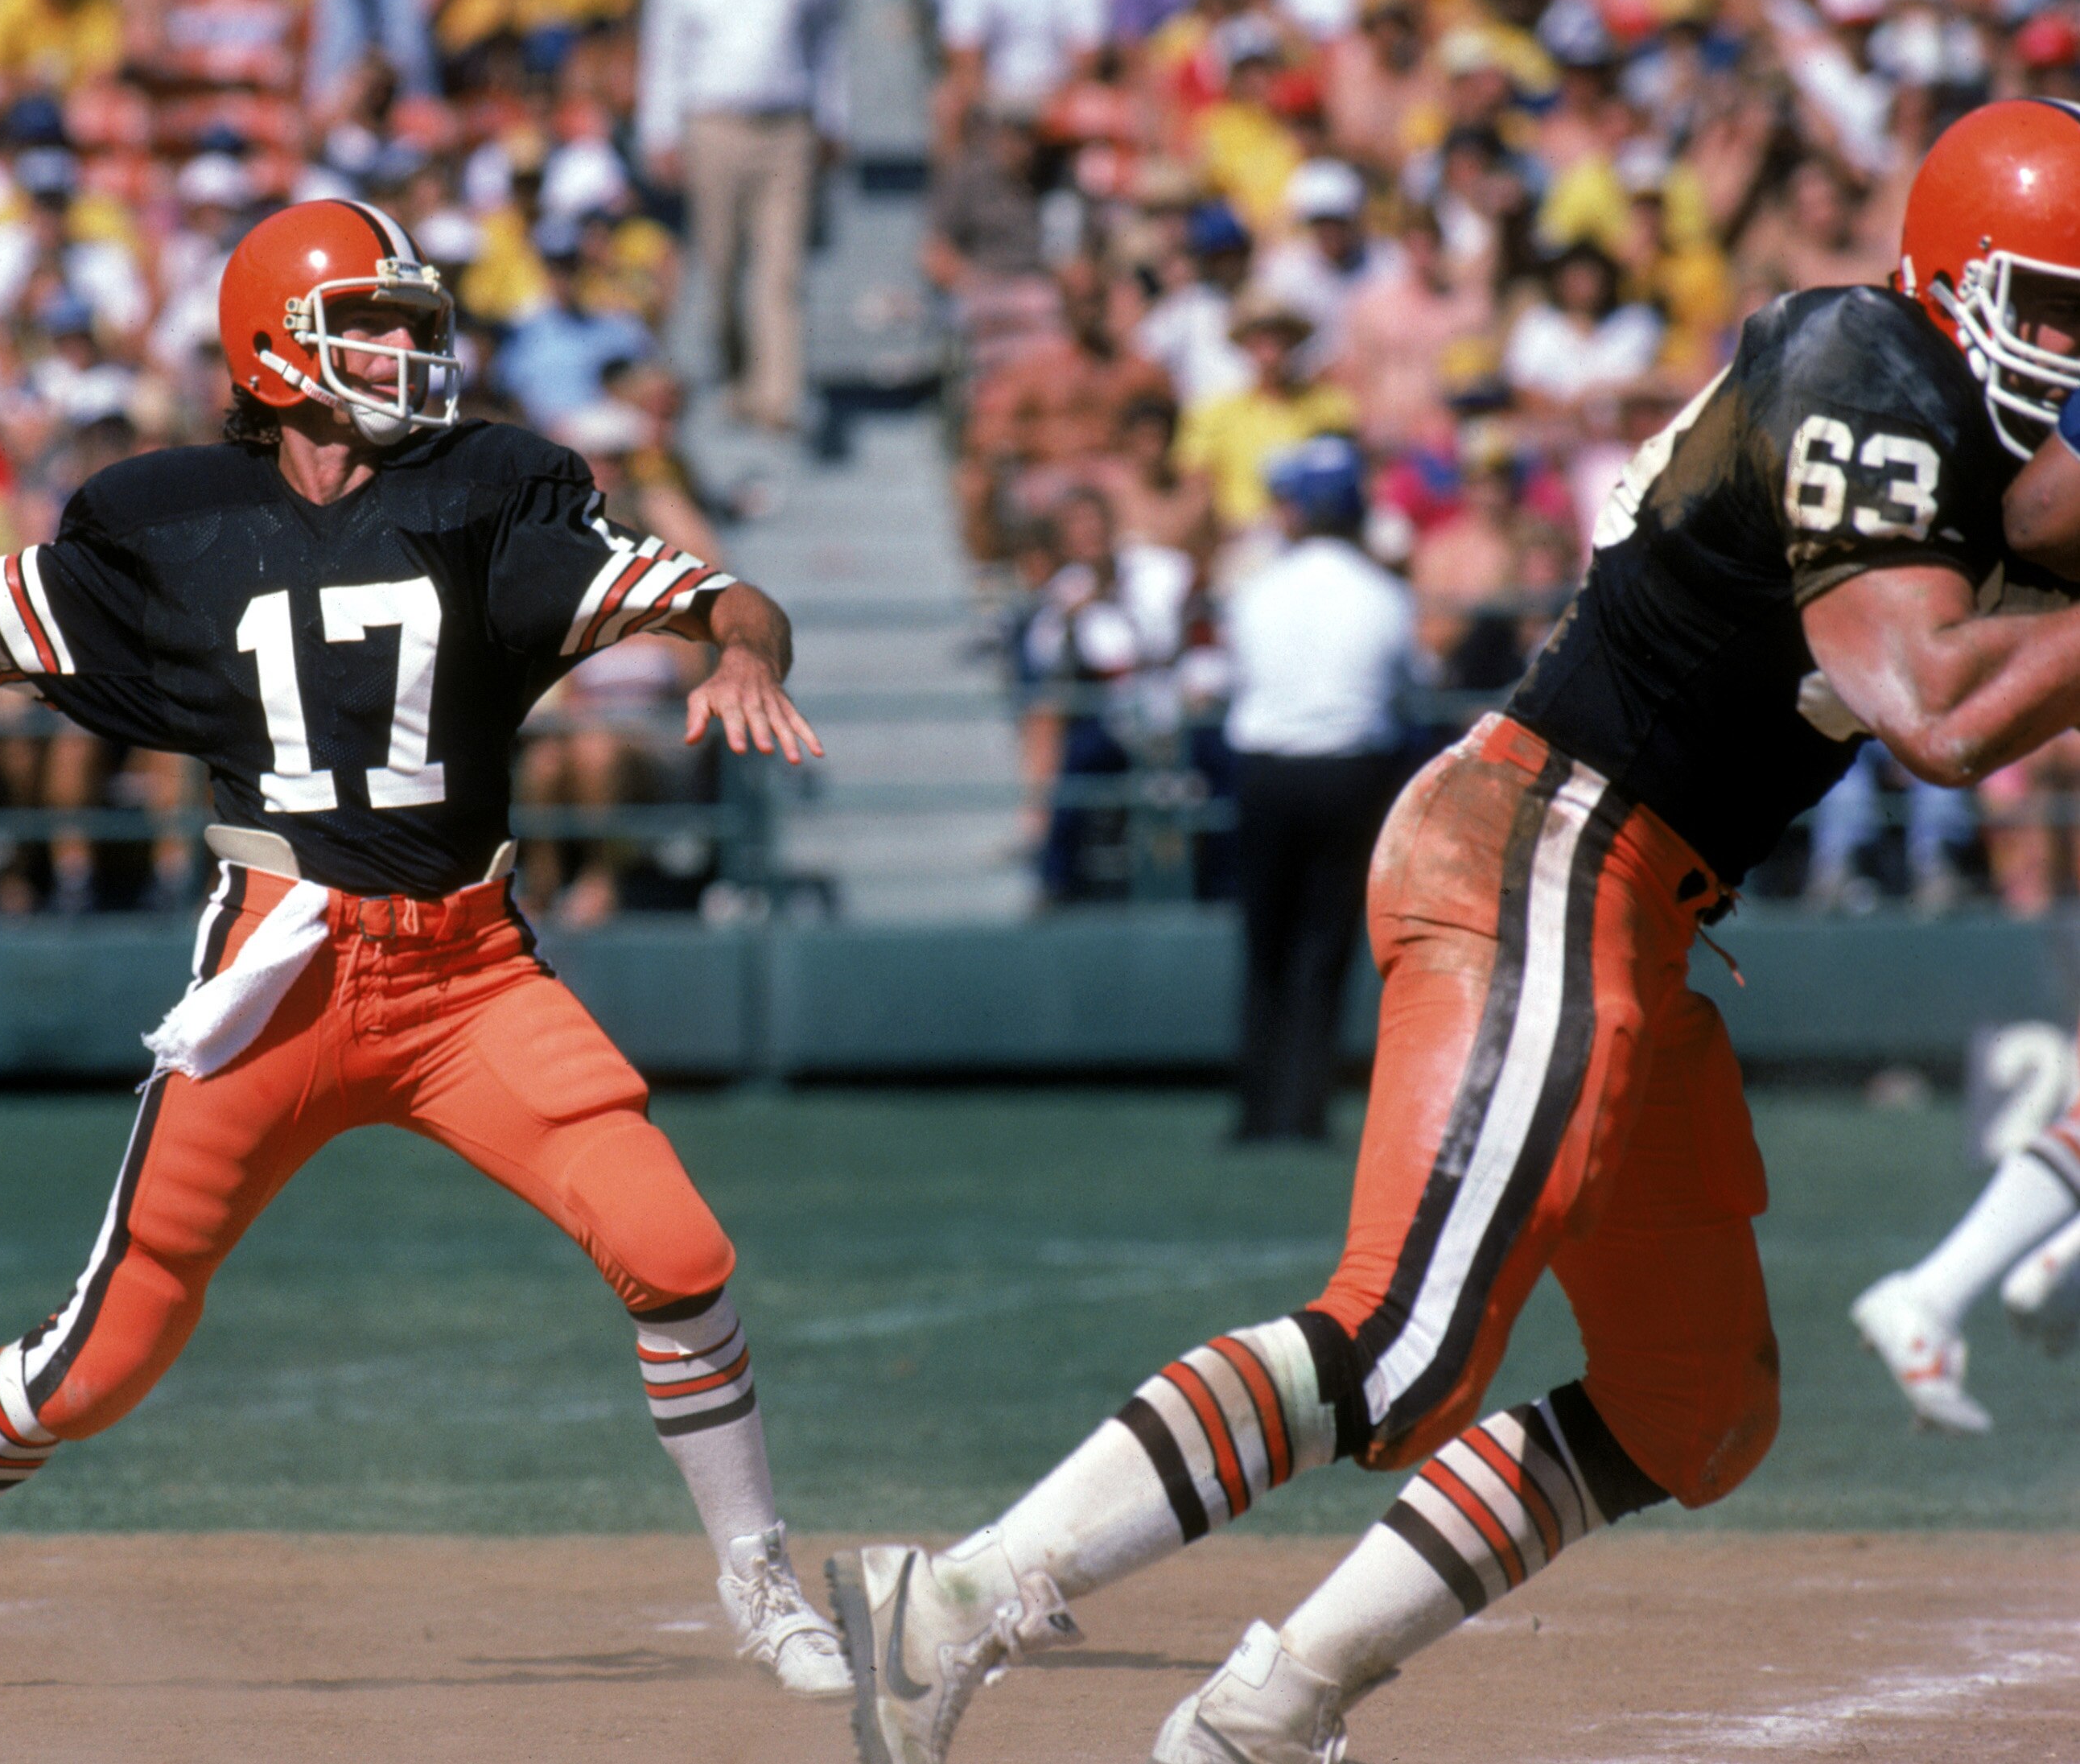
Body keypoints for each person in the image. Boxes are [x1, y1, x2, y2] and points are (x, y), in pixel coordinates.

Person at [829, 100, 2080, 1764]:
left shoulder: (1941, 418)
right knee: (1403, 1336)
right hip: (1549, 842)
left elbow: (2035, 527)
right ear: (1952, 282)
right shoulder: (1863, 361)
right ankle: (948, 1605)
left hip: (1636, 897)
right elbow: (1930, 707)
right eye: (2055, 312)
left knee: (1692, 1401)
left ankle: (1279, 1701)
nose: (2071, 355)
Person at [0, 199, 849, 1702]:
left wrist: (746, 646)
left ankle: (757, 1575)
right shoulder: (165, 517)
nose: (404, 350)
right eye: (367, 321)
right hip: (281, 963)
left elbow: (705, 592)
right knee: (100, 1353)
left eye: (413, 322)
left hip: (465, 968)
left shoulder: (493, 489)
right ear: (270, 348)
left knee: (676, 1247)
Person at [1222, 438, 1414, 1144]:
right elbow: (1404, 685)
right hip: (1351, 772)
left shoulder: (1259, 588)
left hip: (1268, 768)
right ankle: (1306, 1109)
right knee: (1326, 945)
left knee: (1264, 941)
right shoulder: (1384, 592)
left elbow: (1238, 676)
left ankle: (1255, 1108)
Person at [636, 0, 845, 434]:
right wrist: (662, 130)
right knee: (723, 264)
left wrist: (832, 119)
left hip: (785, 127)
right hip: (715, 126)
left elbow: (826, 49)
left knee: (781, 267)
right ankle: (736, 374)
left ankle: (780, 392)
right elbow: (666, 55)